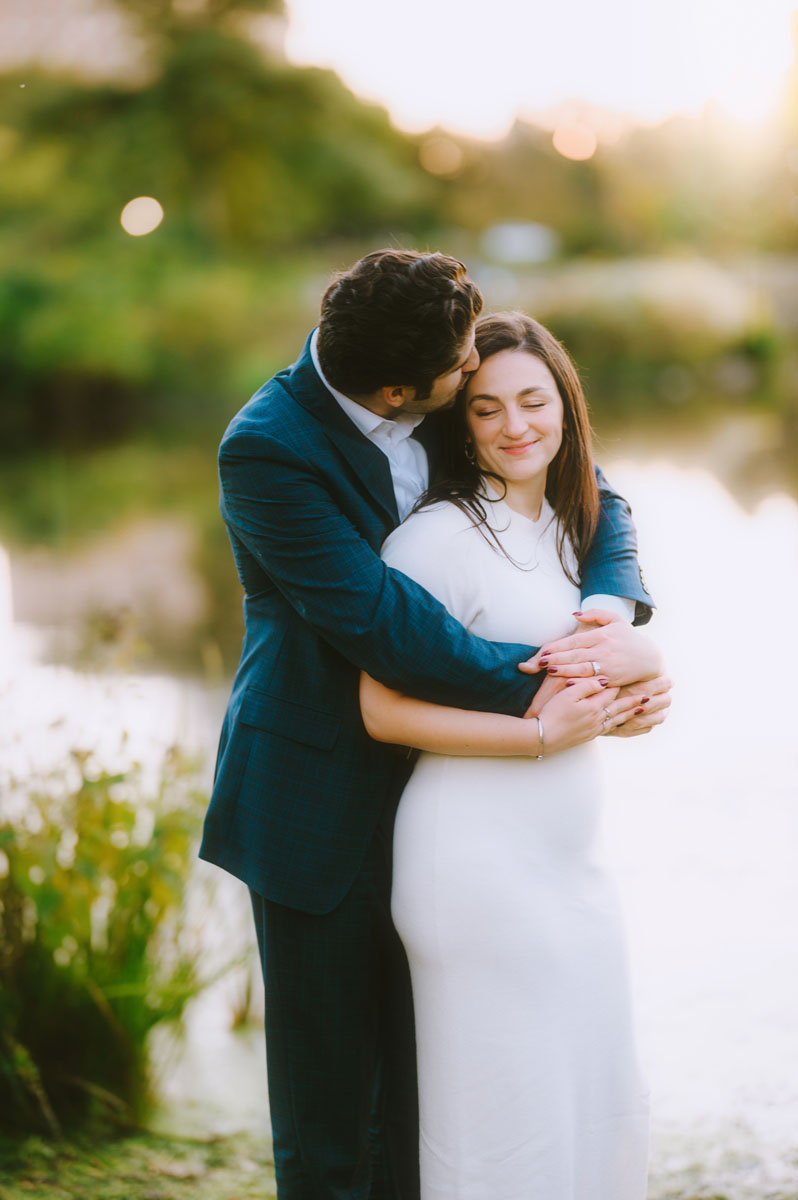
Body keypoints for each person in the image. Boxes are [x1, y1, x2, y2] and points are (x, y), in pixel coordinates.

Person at [199, 251, 666, 1200]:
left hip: (449, 799)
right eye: (463, 380)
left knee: (434, 1095)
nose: (476, 382)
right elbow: (388, 629)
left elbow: (589, 485)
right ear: (399, 388)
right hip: (315, 794)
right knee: (332, 1115)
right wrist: (563, 694)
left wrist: (613, 617)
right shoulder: (268, 448)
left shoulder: (446, 384)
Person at [359, 311, 668, 1199]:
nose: (514, 426)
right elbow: (380, 708)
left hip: (570, 866)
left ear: (566, 406)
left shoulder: (575, 535)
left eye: (533, 401)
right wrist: (536, 739)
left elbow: (595, 668)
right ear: (461, 423)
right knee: (505, 1125)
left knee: (593, 1096)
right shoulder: (437, 538)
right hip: (473, 868)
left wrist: (640, 684)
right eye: (487, 410)